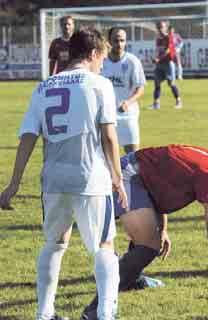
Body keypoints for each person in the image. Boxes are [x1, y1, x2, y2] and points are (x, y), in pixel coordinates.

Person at [0, 28, 128, 320]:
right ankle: (106, 314)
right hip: (91, 179)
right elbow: (109, 135)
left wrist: (14, 183)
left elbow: (28, 137)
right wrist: (118, 178)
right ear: (94, 54)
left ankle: (44, 314)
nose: (102, 65)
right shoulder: (99, 84)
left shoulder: (43, 87)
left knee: (54, 245)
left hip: (54, 181)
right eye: (102, 58)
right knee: (104, 247)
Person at [81, 139, 208, 319]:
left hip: (136, 176)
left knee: (151, 239)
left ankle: (132, 279)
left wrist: (162, 228)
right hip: (127, 176)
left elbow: (161, 181)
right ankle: (96, 312)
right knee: (148, 246)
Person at [102, 27, 146, 154]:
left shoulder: (132, 61)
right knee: (107, 157)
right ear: (109, 41)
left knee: (133, 157)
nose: (119, 44)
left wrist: (128, 102)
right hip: (107, 117)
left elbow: (140, 88)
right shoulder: (102, 62)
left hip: (128, 115)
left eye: (122, 40)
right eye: (116, 40)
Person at [150, 21, 182, 110]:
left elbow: (168, 50)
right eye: (158, 27)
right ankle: (156, 104)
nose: (160, 29)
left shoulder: (169, 37)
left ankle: (178, 101)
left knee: (171, 83)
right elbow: (158, 50)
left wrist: (158, 58)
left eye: (161, 27)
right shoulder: (158, 38)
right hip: (159, 64)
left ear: (165, 28)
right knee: (156, 83)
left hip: (168, 63)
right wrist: (155, 57)